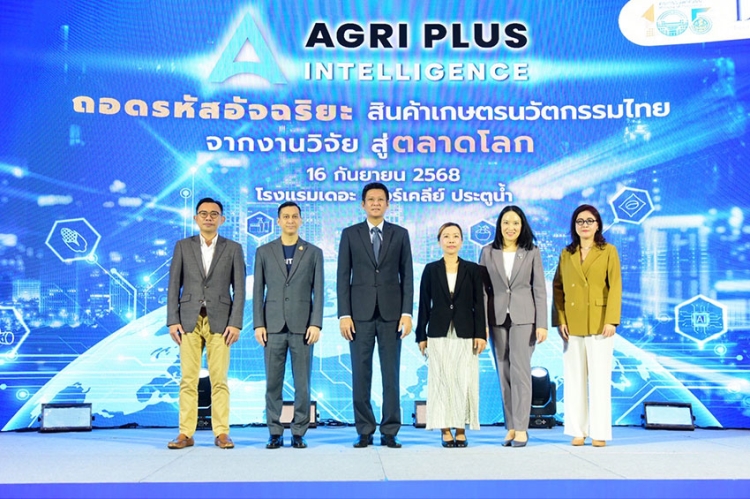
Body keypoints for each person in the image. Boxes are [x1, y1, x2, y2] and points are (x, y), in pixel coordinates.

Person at [337, 182, 414, 448]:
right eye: (371, 199)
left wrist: (407, 313)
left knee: (391, 374)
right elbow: (342, 276)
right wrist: (344, 314)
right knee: (361, 374)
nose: (375, 203)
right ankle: (365, 429)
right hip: (359, 315)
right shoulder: (350, 234)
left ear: (387, 204)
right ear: (363, 204)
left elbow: (407, 275)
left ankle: (390, 430)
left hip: (392, 315)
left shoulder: (400, 234)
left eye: (380, 199)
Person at [166, 197, 246, 450]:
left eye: (214, 214)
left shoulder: (233, 248)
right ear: (196, 218)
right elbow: (173, 286)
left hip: (221, 322)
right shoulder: (182, 246)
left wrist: (236, 323)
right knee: (188, 379)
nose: (209, 217)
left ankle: (222, 433)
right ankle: (185, 433)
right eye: (203, 213)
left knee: (219, 380)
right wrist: (172, 321)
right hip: (188, 320)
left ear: (222, 219)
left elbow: (240, 289)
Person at [253, 201, 323, 450]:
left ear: (301, 220)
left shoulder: (313, 252)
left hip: (303, 327)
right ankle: (274, 431)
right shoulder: (264, 251)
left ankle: (298, 432)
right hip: (272, 326)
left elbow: (318, 291)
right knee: (273, 383)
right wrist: (258, 324)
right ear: (278, 221)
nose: (290, 220)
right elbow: (258, 290)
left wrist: (316, 323)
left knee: (302, 383)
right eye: (286, 216)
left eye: (295, 216)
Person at [552, 204, 622, 448]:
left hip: (600, 323)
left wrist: (611, 319)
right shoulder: (566, 253)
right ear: (574, 225)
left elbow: (615, 286)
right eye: (580, 221)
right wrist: (560, 319)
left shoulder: (608, 251)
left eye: (589, 221)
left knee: (600, 380)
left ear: (598, 224)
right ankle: (577, 430)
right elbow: (558, 288)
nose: (584, 225)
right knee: (574, 380)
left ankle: (599, 431)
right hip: (572, 324)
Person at [479, 205, 547, 448]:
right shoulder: (488, 252)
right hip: (496, 318)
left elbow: (539, 289)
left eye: (515, 223)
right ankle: (510, 426)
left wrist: (542, 324)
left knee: (520, 373)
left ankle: (521, 428)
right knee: (504, 373)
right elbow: (482, 291)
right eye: (506, 222)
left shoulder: (531, 251)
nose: (511, 227)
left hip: (524, 318)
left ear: (522, 226)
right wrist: (481, 325)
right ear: (499, 225)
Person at [416, 223, 486, 448]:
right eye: (446, 236)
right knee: (441, 381)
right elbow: (424, 304)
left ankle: (461, 428)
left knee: (464, 380)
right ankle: (445, 429)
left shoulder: (473, 269)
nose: (451, 240)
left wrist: (480, 333)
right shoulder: (430, 269)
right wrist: (421, 335)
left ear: (462, 241)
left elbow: (479, 304)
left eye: (456, 236)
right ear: (439, 242)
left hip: (466, 332)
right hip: (438, 332)